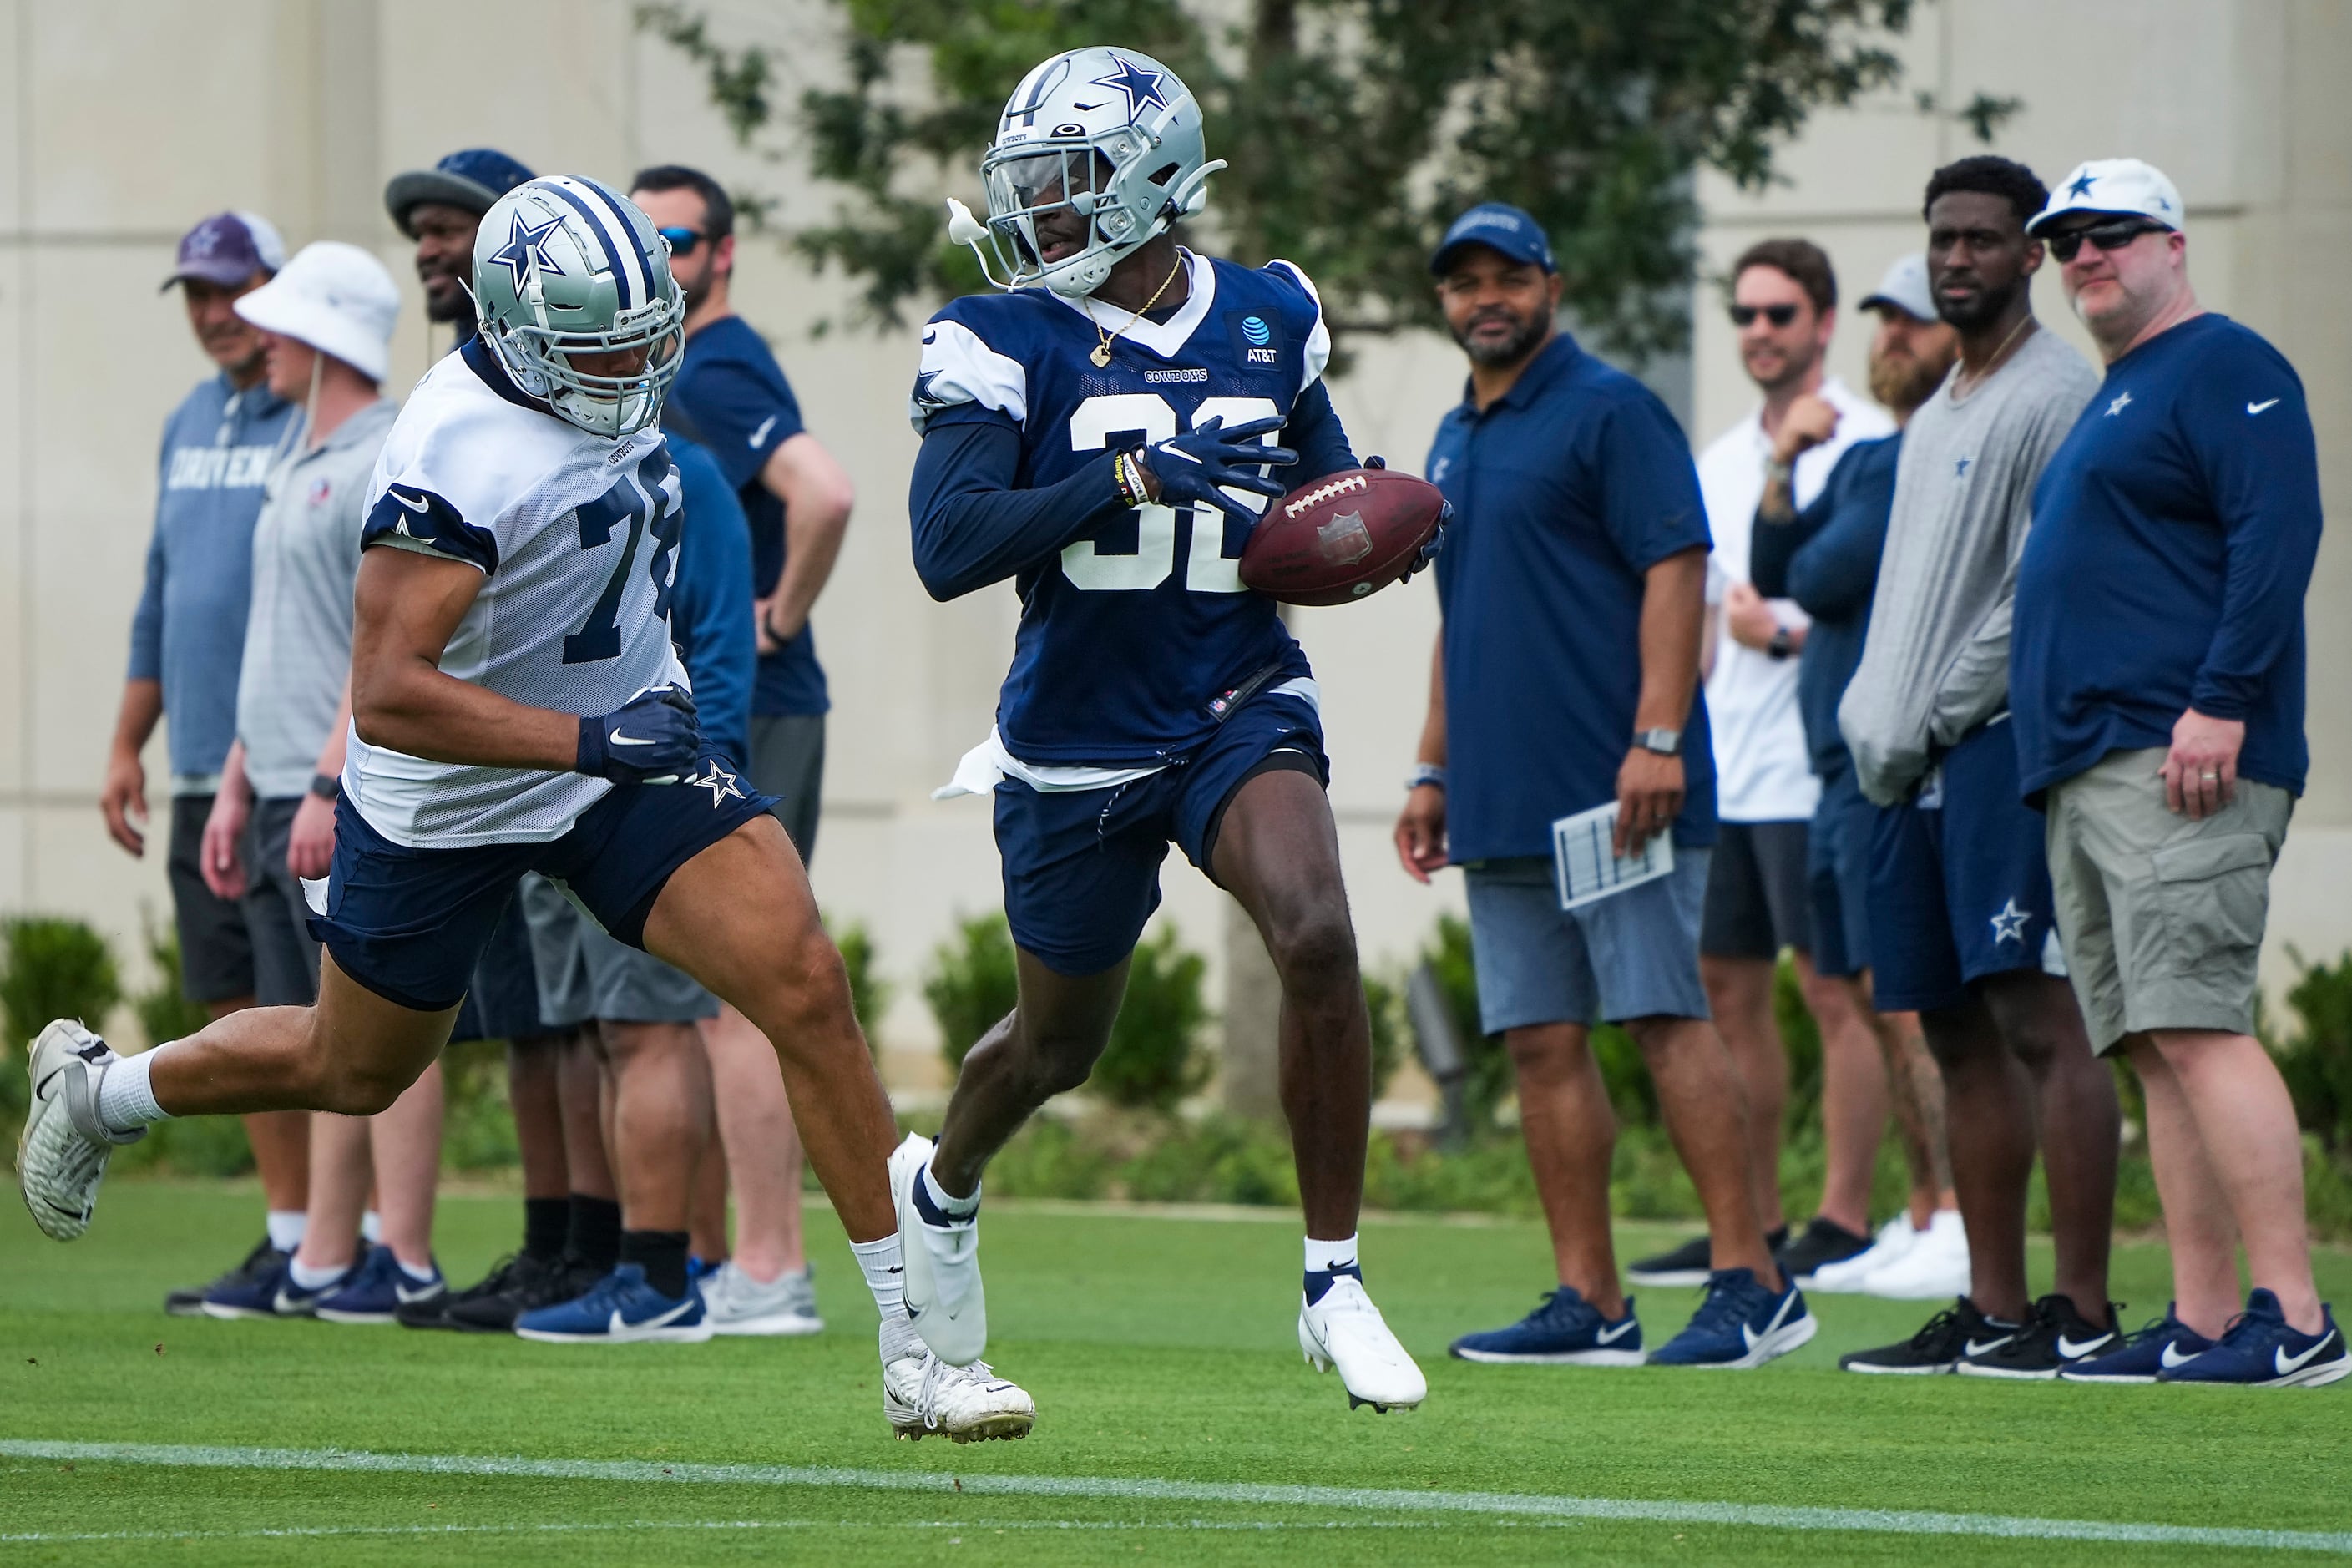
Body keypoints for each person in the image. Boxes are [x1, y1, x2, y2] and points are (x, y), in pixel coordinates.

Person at [18, 174, 1032, 1444]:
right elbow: (387, 692)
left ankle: (917, 1352)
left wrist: (625, 725)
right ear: (512, 328)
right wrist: (589, 736)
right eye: (600, 340)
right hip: (456, 785)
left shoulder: (610, 375)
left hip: (620, 748)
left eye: (642, 328)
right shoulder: (454, 451)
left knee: (803, 983)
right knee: (356, 1064)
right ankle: (102, 1093)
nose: (632, 359)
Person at [906, 47, 1424, 1411]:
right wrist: (1118, 477)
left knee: (1315, 927)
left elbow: (1322, 498)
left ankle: (1334, 1277)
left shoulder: (1267, 315)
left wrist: (1370, 533)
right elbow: (947, 546)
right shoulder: (999, 334)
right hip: (1073, 736)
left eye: (1067, 184)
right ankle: (943, 1186)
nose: (1040, 212)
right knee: (1054, 1045)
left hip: (1233, 697)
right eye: (1031, 186)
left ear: (1149, 183)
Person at [1403, 203, 1811, 1370]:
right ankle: (1592, 1298)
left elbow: (1676, 571)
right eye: (1463, 281)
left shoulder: (1611, 409)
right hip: (1497, 792)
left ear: (1553, 286)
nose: (1486, 297)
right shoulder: (1452, 436)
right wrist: (1432, 766)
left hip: (1616, 786)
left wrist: (1659, 736)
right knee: (1538, 1040)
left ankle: (1755, 1281)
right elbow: (1457, 614)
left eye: (1508, 278)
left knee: (1659, 1018)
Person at [2013, 159, 2344, 1387]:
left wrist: (2220, 701)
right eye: (2065, 244)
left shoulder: (2224, 362)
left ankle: (2296, 1315)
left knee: (2198, 1025)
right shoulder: (2124, 388)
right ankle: (2206, 1316)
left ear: (2168, 241)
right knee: (2152, 1043)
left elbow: (2278, 530)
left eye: (2108, 234)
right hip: (2097, 762)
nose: (2084, 257)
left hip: (2182, 751)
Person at [1834, 156, 2122, 1378]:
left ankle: (2083, 1308)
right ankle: (1993, 1305)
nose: (1958, 257)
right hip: (1897, 768)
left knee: (2040, 1021)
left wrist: (1936, 713)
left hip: (1991, 752)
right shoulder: (1939, 402)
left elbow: (2032, 599)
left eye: (1984, 239)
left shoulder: (2055, 393)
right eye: (1943, 237)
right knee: (1951, 1033)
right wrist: (1877, 720)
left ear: (2031, 255)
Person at [379, 147, 617, 1335]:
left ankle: (626, 1250)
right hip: (494, 755)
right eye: (423, 231)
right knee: (525, 1016)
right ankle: (550, 1239)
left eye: (454, 228)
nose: (435, 247)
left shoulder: (597, 384)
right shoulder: (453, 407)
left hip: (581, 750)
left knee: (600, 1013)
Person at [1629, 239, 1896, 1292]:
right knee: (1723, 994)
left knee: (1839, 995)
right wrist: (1661, 741)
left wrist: (1777, 636)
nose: (1760, 332)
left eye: (1780, 314)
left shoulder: (1870, 442)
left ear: (1824, 322)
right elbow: (1692, 621)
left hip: (1819, 766)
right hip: (1725, 769)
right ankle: (1758, 1221)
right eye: (1745, 315)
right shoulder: (1720, 458)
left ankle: (1846, 1215)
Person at [181, 244, 439, 1322]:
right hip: (280, 777)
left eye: (281, 324)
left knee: (381, 1021)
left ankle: (405, 1257)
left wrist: (333, 777)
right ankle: (326, 1256)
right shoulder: (299, 455)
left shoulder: (384, 453)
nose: (262, 341)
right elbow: (280, 639)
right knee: (317, 1027)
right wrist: (241, 779)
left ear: (327, 334)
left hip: (345, 781)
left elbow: (374, 641)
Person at [508, 427, 804, 1343]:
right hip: (552, 786)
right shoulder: (534, 466)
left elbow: (718, 639)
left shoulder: (686, 469)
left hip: (639, 797)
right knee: (602, 1035)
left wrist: (690, 786)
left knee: (648, 1032)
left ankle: (661, 1271)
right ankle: (639, 1262)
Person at [630, 164, 850, 1322]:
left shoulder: (714, 364)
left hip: (750, 703)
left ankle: (769, 1267)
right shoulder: (678, 366)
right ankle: (736, 1260)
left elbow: (825, 491)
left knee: (745, 993)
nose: (655, 257)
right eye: (637, 235)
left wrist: (776, 618)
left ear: (722, 254)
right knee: (712, 988)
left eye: (675, 237)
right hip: (728, 698)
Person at [1748, 254, 1968, 1299]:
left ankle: (1957, 1220)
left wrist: (1796, 499)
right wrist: (1785, 462)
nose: (1893, 341)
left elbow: (1815, 576)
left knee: (1907, 999)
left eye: (1911, 325)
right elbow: (1783, 565)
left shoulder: (1918, 455)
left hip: (1895, 768)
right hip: (1838, 765)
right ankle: (1922, 1211)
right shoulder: (1870, 458)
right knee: (1872, 996)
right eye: (1885, 325)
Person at [109, 211, 308, 1315]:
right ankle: (288, 1233)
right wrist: (123, 742)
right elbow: (160, 592)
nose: (214, 311)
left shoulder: (309, 414)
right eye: (196, 293)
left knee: (306, 1008)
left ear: (276, 288)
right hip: (199, 771)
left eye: (232, 288)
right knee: (234, 1005)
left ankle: (345, 1237)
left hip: (289, 761)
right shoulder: (188, 420)